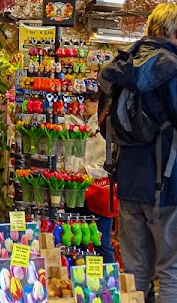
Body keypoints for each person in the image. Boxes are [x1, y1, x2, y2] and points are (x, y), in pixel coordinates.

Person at [98, 3, 177, 303]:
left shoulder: (123, 66)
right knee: (174, 272)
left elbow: (107, 127)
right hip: (172, 187)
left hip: (129, 184)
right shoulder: (174, 70)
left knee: (134, 273)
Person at [65, 98, 114, 262]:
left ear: (97, 104)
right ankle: (81, 279)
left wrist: (87, 170)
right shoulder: (72, 121)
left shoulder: (106, 126)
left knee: (100, 241)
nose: (83, 104)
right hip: (77, 190)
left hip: (99, 192)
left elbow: (109, 161)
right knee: (77, 240)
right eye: (82, 100)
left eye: (89, 101)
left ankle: (109, 280)